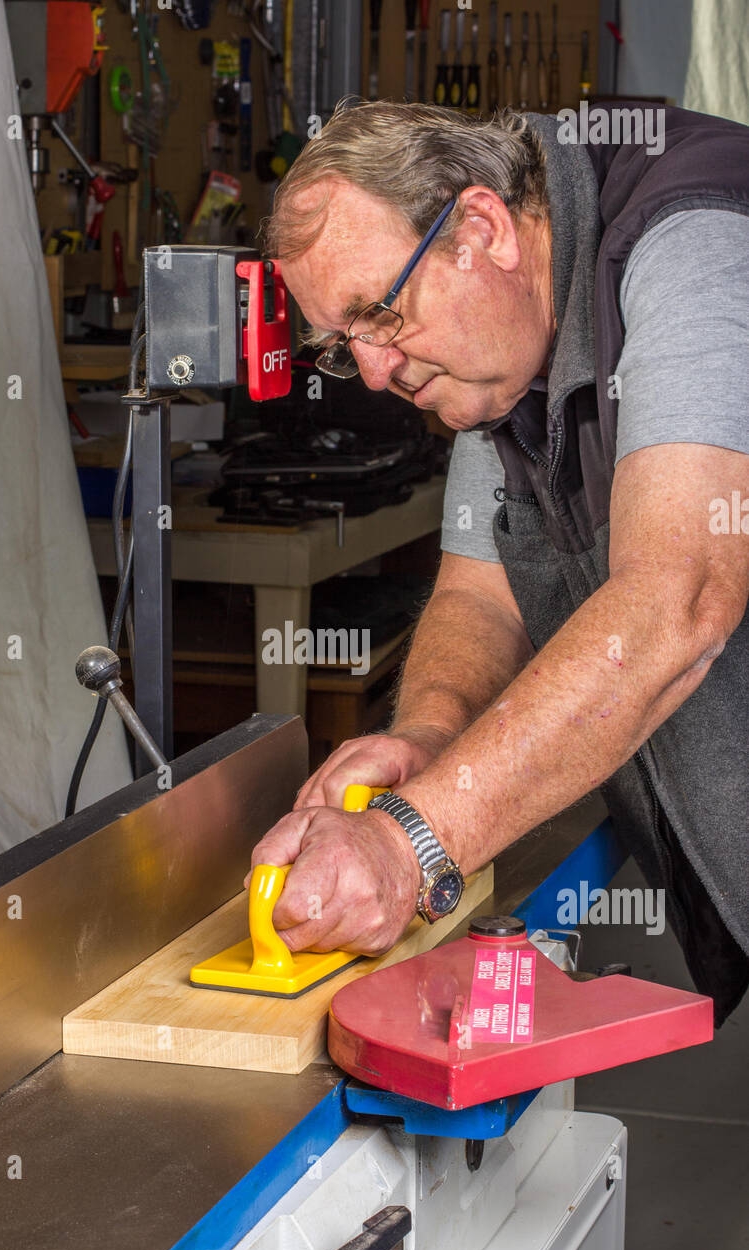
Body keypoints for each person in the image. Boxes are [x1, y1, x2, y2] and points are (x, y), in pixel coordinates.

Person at [251, 100, 749, 1025]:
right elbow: (480, 595)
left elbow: (676, 600)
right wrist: (432, 739)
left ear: (481, 229)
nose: (370, 371)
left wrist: (409, 846)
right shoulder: (500, 353)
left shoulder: (699, 243)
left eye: (379, 314)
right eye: (339, 341)